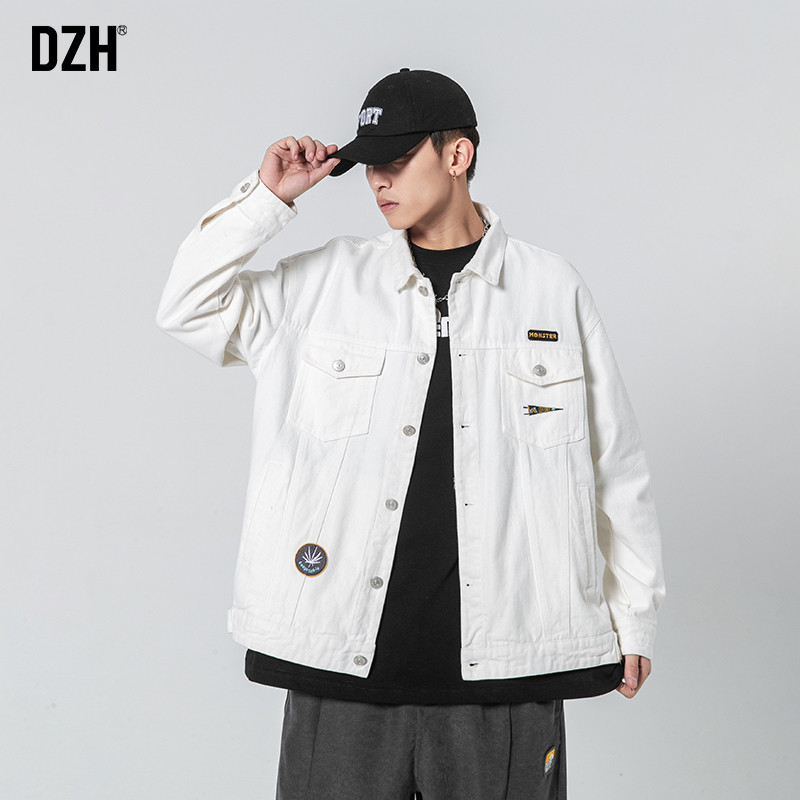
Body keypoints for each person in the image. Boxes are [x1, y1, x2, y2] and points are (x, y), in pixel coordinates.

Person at [156, 68, 665, 800]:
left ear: (457, 155)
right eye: (370, 165)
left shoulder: (550, 288)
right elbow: (187, 307)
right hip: (340, 664)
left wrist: (634, 618)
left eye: (397, 161)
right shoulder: (323, 284)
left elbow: (614, 464)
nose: (378, 181)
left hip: (507, 668)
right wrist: (268, 200)